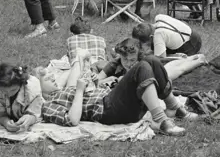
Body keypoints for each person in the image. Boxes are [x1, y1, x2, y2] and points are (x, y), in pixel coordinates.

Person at [42, 39, 196, 136]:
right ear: (40, 88)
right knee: (142, 66)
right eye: (47, 77)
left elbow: (83, 63)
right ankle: (162, 121)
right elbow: (73, 120)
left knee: (151, 60)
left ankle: (174, 107)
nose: (52, 76)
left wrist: (95, 82)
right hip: (107, 110)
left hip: (114, 99)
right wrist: (80, 91)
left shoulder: (65, 88)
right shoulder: (48, 105)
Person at [0, 62, 44, 132]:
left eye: (13, 90)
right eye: (5, 91)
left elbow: (36, 111)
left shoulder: (32, 88)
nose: (9, 94)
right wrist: (6, 122)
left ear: (21, 84)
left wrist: (30, 118)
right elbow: (1, 114)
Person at [132, 14, 202, 58]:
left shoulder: (158, 34)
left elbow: (161, 58)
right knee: (154, 48)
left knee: (159, 61)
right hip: (191, 34)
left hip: (191, 44)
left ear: (151, 36)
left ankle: (179, 55)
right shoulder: (159, 17)